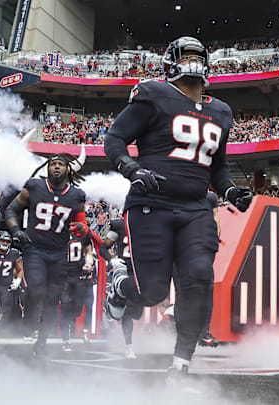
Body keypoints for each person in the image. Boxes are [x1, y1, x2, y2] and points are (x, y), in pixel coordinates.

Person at [103, 36, 253, 383]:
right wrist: (132, 169)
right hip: (151, 204)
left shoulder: (221, 111)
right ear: (170, 62)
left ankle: (181, 365)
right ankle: (120, 287)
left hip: (197, 207)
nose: (191, 61)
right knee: (152, 293)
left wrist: (229, 190)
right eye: (184, 56)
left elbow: (218, 168)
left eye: (196, 56)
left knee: (199, 277)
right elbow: (114, 139)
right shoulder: (153, 94)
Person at [5, 154, 89, 361]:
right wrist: (16, 230)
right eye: (53, 164)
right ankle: (29, 319)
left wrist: (80, 228)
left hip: (60, 252)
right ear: (48, 169)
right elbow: (11, 209)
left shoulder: (77, 195)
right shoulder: (35, 186)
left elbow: (83, 225)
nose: (57, 168)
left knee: (53, 299)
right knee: (36, 287)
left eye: (61, 164)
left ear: (68, 170)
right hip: (35, 248)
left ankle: (41, 343)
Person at [100, 217, 141, 359]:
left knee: (137, 313)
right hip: (123, 270)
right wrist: (112, 260)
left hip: (140, 272)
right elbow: (103, 248)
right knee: (127, 313)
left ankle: (116, 301)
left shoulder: (153, 223)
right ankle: (128, 347)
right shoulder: (119, 225)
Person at [59, 231, 93, 352]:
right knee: (64, 305)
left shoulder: (82, 232)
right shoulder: (58, 230)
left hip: (79, 274)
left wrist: (88, 262)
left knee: (77, 310)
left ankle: (71, 323)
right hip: (63, 275)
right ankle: (66, 340)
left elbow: (88, 250)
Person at [199, 190, 221, 347]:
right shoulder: (180, 190)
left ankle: (204, 332)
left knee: (207, 288)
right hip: (184, 246)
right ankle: (186, 333)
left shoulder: (210, 197)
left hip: (202, 247)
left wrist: (213, 241)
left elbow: (216, 221)